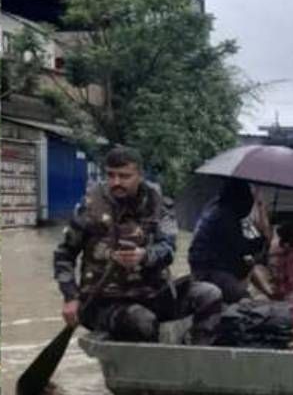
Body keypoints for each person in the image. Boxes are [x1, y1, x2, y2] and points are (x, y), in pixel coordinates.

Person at [54, 147, 223, 344]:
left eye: (124, 176)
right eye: (111, 175)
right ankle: (146, 367)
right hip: (104, 302)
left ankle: (198, 357)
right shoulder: (89, 207)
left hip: (152, 294)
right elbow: (64, 253)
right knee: (142, 321)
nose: (116, 182)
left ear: (139, 175)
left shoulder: (158, 205)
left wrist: (144, 256)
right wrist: (70, 297)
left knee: (209, 294)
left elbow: (168, 249)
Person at [188, 179, 274, 303]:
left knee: (248, 264)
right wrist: (263, 239)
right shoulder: (225, 216)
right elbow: (242, 247)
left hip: (203, 266)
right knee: (245, 300)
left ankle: (266, 293)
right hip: (210, 270)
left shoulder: (216, 208)